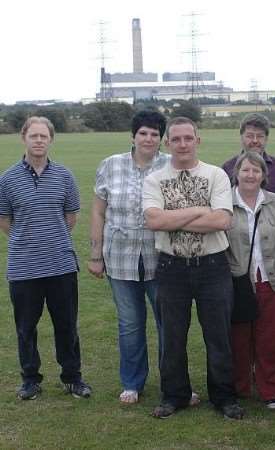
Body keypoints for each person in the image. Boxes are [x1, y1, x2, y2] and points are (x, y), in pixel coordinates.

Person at [143, 116, 244, 420]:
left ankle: (224, 397)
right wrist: (201, 210)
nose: (183, 144)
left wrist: (175, 216)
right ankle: (175, 395)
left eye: (188, 138)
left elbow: (222, 221)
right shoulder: (154, 179)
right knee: (172, 336)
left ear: (198, 141)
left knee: (218, 336)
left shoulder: (216, 175)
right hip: (171, 267)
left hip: (213, 266)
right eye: (176, 139)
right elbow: (154, 221)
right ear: (167, 143)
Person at [0, 116, 91, 400]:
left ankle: (72, 377)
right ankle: (30, 379)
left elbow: (71, 217)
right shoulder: (7, 179)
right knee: (26, 328)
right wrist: (28, 240)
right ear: (23, 138)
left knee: (66, 325)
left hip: (60, 265)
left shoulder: (65, 176)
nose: (39, 141)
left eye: (44, 136)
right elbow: (4, 220)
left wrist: (51, 240)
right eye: (33, 136)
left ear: (51, 140)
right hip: (23, 267)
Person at [87, 109, 169, 404]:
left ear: (161, 139)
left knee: (167, 323)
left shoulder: (170, 166)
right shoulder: (111, 165)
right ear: (133, 136)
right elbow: (98, 211)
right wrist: (96, 255)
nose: (148, 138)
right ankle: (132, 382)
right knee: (130, 324)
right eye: (143, 133)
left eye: (155, 134)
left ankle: (172, 382)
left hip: (161, 260)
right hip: (120, 259)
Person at [225, 151, 275, 409]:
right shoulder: (224, 201)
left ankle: (273, 391)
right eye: (245, 170)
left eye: (256, 171)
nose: (250, 175)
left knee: (271, 337)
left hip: (273, 279)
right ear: (237, 173)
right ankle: (239, 386)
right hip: (238, 281)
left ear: (263, 175)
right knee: (238, 337)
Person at [222, 113, 275, 199]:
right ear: (241, 137)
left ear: (266, 138)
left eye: (260, 136)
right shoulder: (227, 168)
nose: (255, 140)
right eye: (250, 136)